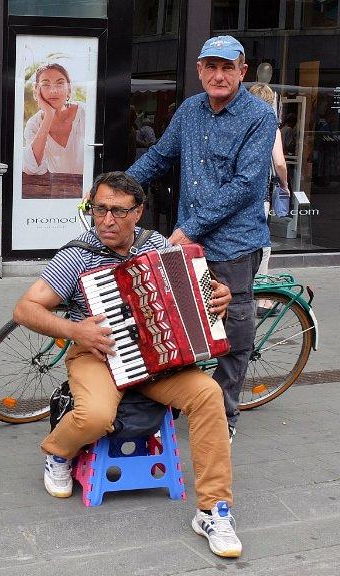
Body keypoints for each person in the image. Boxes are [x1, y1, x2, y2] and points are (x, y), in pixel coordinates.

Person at [14, 172, 243, 558]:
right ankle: (57, 452)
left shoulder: (157, 245)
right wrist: (76, 330)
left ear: (137, 212)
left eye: (118, 211)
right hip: (97, 355)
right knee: (95, 416)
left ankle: (213, 511)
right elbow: (24, 309)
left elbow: (197, 289)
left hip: (158, 361)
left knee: (208, 394)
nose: (106, 220)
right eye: (99, 209)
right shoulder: (77, 255)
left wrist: (217, 294)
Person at [126, 35, 276, 442]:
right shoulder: (190, 110)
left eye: (228, 67)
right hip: (189, 241)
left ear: (243, 72)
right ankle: (180, 399)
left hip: (233, 243)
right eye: (211, 67)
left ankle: (225, 416)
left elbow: (246, 185)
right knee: (177, 322)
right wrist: (118, 189)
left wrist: (190, 228)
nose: (219, 75)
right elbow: (159, 156)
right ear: (199, 71)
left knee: (233, 330)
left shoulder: (259, 117)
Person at [248, 82, 290, 315]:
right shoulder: (269, 126)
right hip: (259, 197)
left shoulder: (239, 124)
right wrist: (284, 184)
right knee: (262, 248)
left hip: (237, 198)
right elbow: (280, 163)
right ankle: (263, 301)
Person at [23, 63, 86, 176]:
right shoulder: (34, 124)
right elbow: (31, 167)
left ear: (69, 89)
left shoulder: (86, 113)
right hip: (56, 190)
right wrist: (48, 115)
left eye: (60, 83)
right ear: (37, 90)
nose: (53, 91)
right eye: (46, 84)